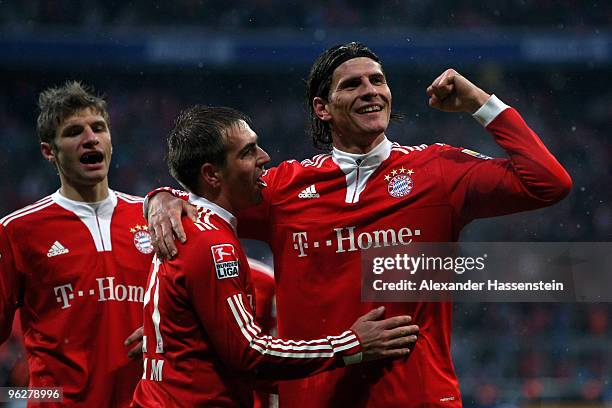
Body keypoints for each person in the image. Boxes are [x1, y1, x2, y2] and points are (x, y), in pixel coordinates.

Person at [147, 42, 572, 407]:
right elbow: (212, 196)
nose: (371, 91)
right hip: (315, 398)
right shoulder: (283, 189)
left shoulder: (437, 171)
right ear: (322, 108)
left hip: (417, 397)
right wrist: (165, 197)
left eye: (378, 80)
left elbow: (548, 182)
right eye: (352, 84)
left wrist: (482, 103)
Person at [131, 105, 419, 407]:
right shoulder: (213, 243)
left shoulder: (188, 226)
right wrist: (352, 344)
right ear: (212, 174)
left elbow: (222, 354)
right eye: (247, 152)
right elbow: (249, 354)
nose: (264, 157)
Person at [0, 82, 152, 406]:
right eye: (73, 132)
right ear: (48, 151)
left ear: (110, 140)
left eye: (99, 128)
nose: (90, 138)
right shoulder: (18, 230)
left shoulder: (153, 217)